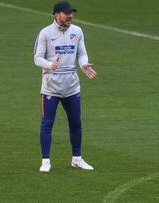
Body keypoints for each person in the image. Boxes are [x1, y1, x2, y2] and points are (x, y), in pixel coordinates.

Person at [33, 1, 96, 172]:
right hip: (51, 86)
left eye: (71, 13)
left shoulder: (77, 31)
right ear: (57, 14)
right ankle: (45, 161)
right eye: (66, 13)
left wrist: (83, 65)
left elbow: (82, 53)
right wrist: (49, 65)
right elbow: (37, 58)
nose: (70, 16)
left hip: (71, 85)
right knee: (47, 123)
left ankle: (77, 158)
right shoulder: (45, 33)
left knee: (76, 122)